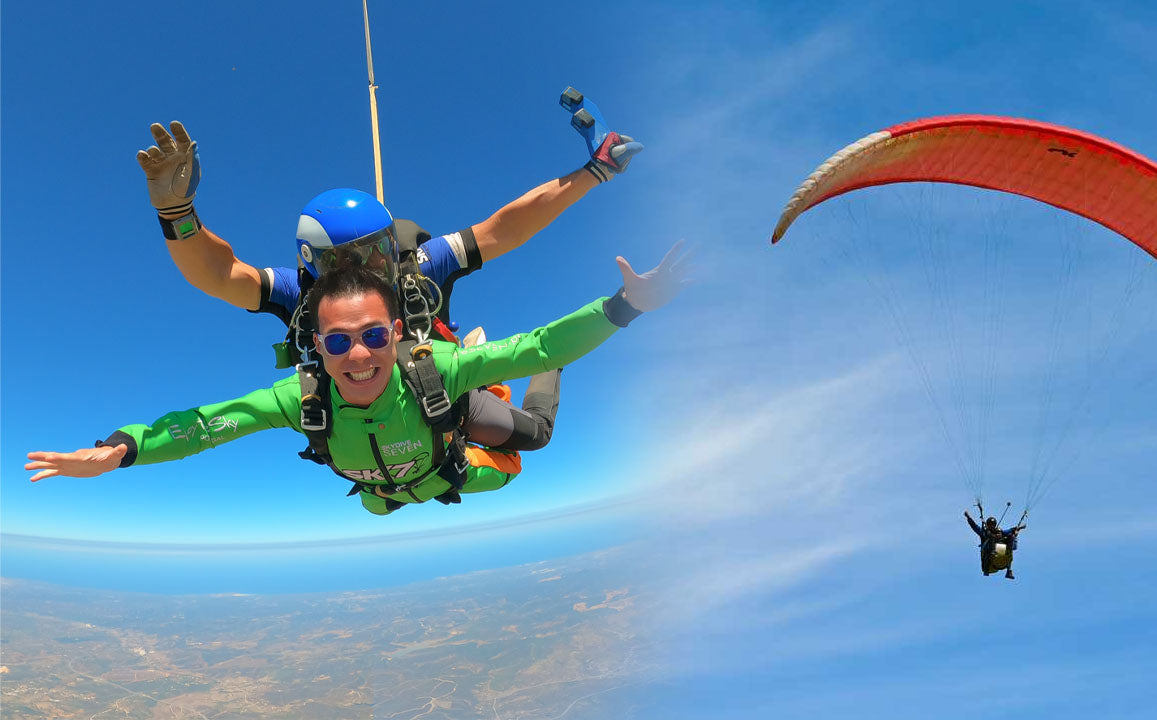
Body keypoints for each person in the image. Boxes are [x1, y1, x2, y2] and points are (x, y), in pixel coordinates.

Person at [26, 245, 689, 515]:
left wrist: (625, 306)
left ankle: (508, 389)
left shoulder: (435, 366)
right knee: (379, 504)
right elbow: (207, 426)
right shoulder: (301, 398)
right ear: (318, 346)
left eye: (374, 335)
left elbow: (540, 341)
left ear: (397, 333)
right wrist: (122, 449)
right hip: (390, 490)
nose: (359, 356)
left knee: (533, 439)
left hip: (449, 459)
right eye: (339, 342)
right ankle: (482, 398)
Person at [135, 119, 641, 452]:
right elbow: (221, 274)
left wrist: (593, 173)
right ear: (313, 265)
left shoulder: (417, 265)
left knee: (534, 436)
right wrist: (177, 215)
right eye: (347, 262)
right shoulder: (301, 293)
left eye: (378, 250)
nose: (372, 269)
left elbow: (504, 228)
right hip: (365, 416)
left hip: (440, 387)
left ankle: (541, 364)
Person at [964, 510, 1026, 579]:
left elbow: (1010, 530)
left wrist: (1019, 528)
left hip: (999, 560)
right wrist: (968, 517)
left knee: (1011, 537)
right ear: (987, 525)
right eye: (990, 525)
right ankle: (993, 552)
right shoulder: (984, 533)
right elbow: (974, 526)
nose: (991, 526)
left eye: (993, 525)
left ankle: (1009, 571)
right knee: (991, 537)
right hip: (988, 558)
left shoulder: (999, 532)